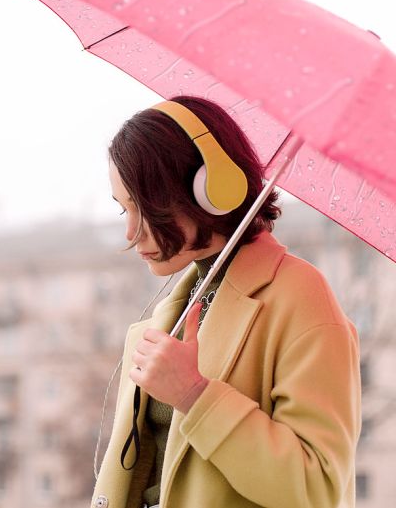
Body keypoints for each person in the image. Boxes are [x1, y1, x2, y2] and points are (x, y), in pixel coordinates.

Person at [93, 95, 361, 508]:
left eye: (146, 210)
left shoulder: (301, 298)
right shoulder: (175, 306)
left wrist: (195, 396)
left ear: (211, 191)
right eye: (122, 209)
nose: (130, 233)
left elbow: (317, 489)